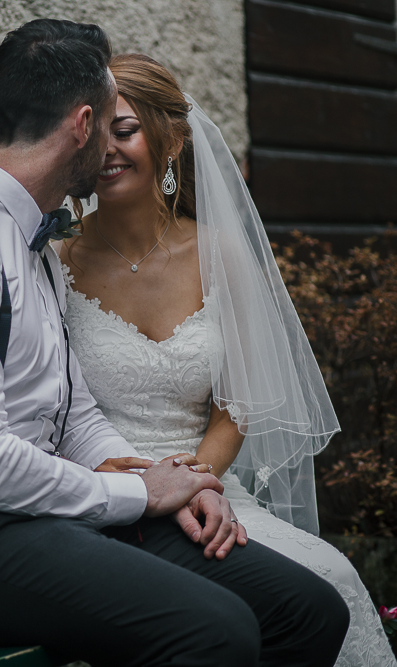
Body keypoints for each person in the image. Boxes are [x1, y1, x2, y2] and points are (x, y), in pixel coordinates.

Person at [0, 19, 349, 667]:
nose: (117, 142)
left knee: (308, 609)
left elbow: (75, 413)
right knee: (217, 629)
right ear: (83, 125)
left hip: (41, 508)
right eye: (111, 124)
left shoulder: (31, 244)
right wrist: (138, 495)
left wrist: (171, 480)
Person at [59, 53, 395, 666]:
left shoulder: (218, 253)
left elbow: (233, 407)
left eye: (125, 129)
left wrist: (191, 482)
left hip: (209, 484)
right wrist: (144, 489)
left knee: (331, 578)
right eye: (93, 131)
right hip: (104, 492)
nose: (106, 149)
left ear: (172, 138)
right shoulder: (58, 265)